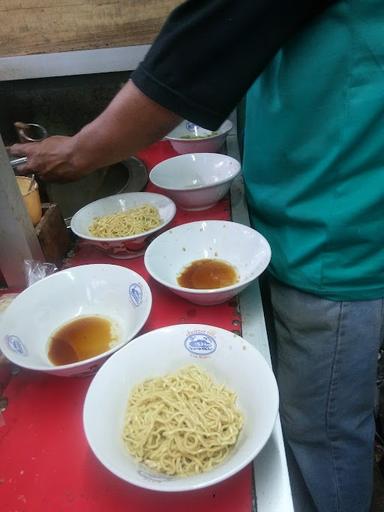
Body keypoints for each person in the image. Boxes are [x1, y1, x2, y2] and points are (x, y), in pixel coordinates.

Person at [8, 1, 384, 510]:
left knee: (324, 433)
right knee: (311, 418)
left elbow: (202, 43)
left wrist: (80, 151)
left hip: (336, 243)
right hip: (304, 213)